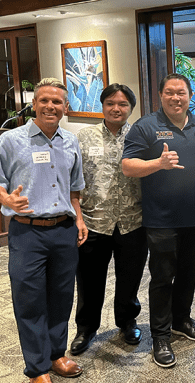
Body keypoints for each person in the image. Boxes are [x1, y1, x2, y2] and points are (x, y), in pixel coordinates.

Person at [122, 73, 195, 368]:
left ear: (190, 96)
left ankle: (181, 320)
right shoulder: (146, 127)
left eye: (181, 93)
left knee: (189, 271)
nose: (176, 98)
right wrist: (158, 164)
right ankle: (161, 336)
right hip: (162, 217)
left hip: (194, 214)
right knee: (163, 276)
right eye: (169, 93)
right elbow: (128, 165)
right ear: (160, 96)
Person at [0, 78, 86, 383]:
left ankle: (56, 355)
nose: (51, 106)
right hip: (27, 232)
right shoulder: (10, 140)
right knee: (30, 299)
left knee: (61, 297)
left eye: (57, 102)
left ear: (65, 107)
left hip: (63, 230)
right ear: (34, 104)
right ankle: (37, 367)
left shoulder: (71, 141)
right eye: (45, 101)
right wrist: (6, 198)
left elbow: (75, 188)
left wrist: (79, 218)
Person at [70, 83, 148, 355]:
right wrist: (78, 217)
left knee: (130, 277)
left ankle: (127, 322)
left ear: (131, 108)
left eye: (123, 104)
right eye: (111, 103)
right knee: (90, 280)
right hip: (93, 222)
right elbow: (73, 182)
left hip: (133, 220)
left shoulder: (141, 136)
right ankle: (86, 329)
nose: (117, 108)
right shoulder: (83, 137)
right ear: (102, 106)